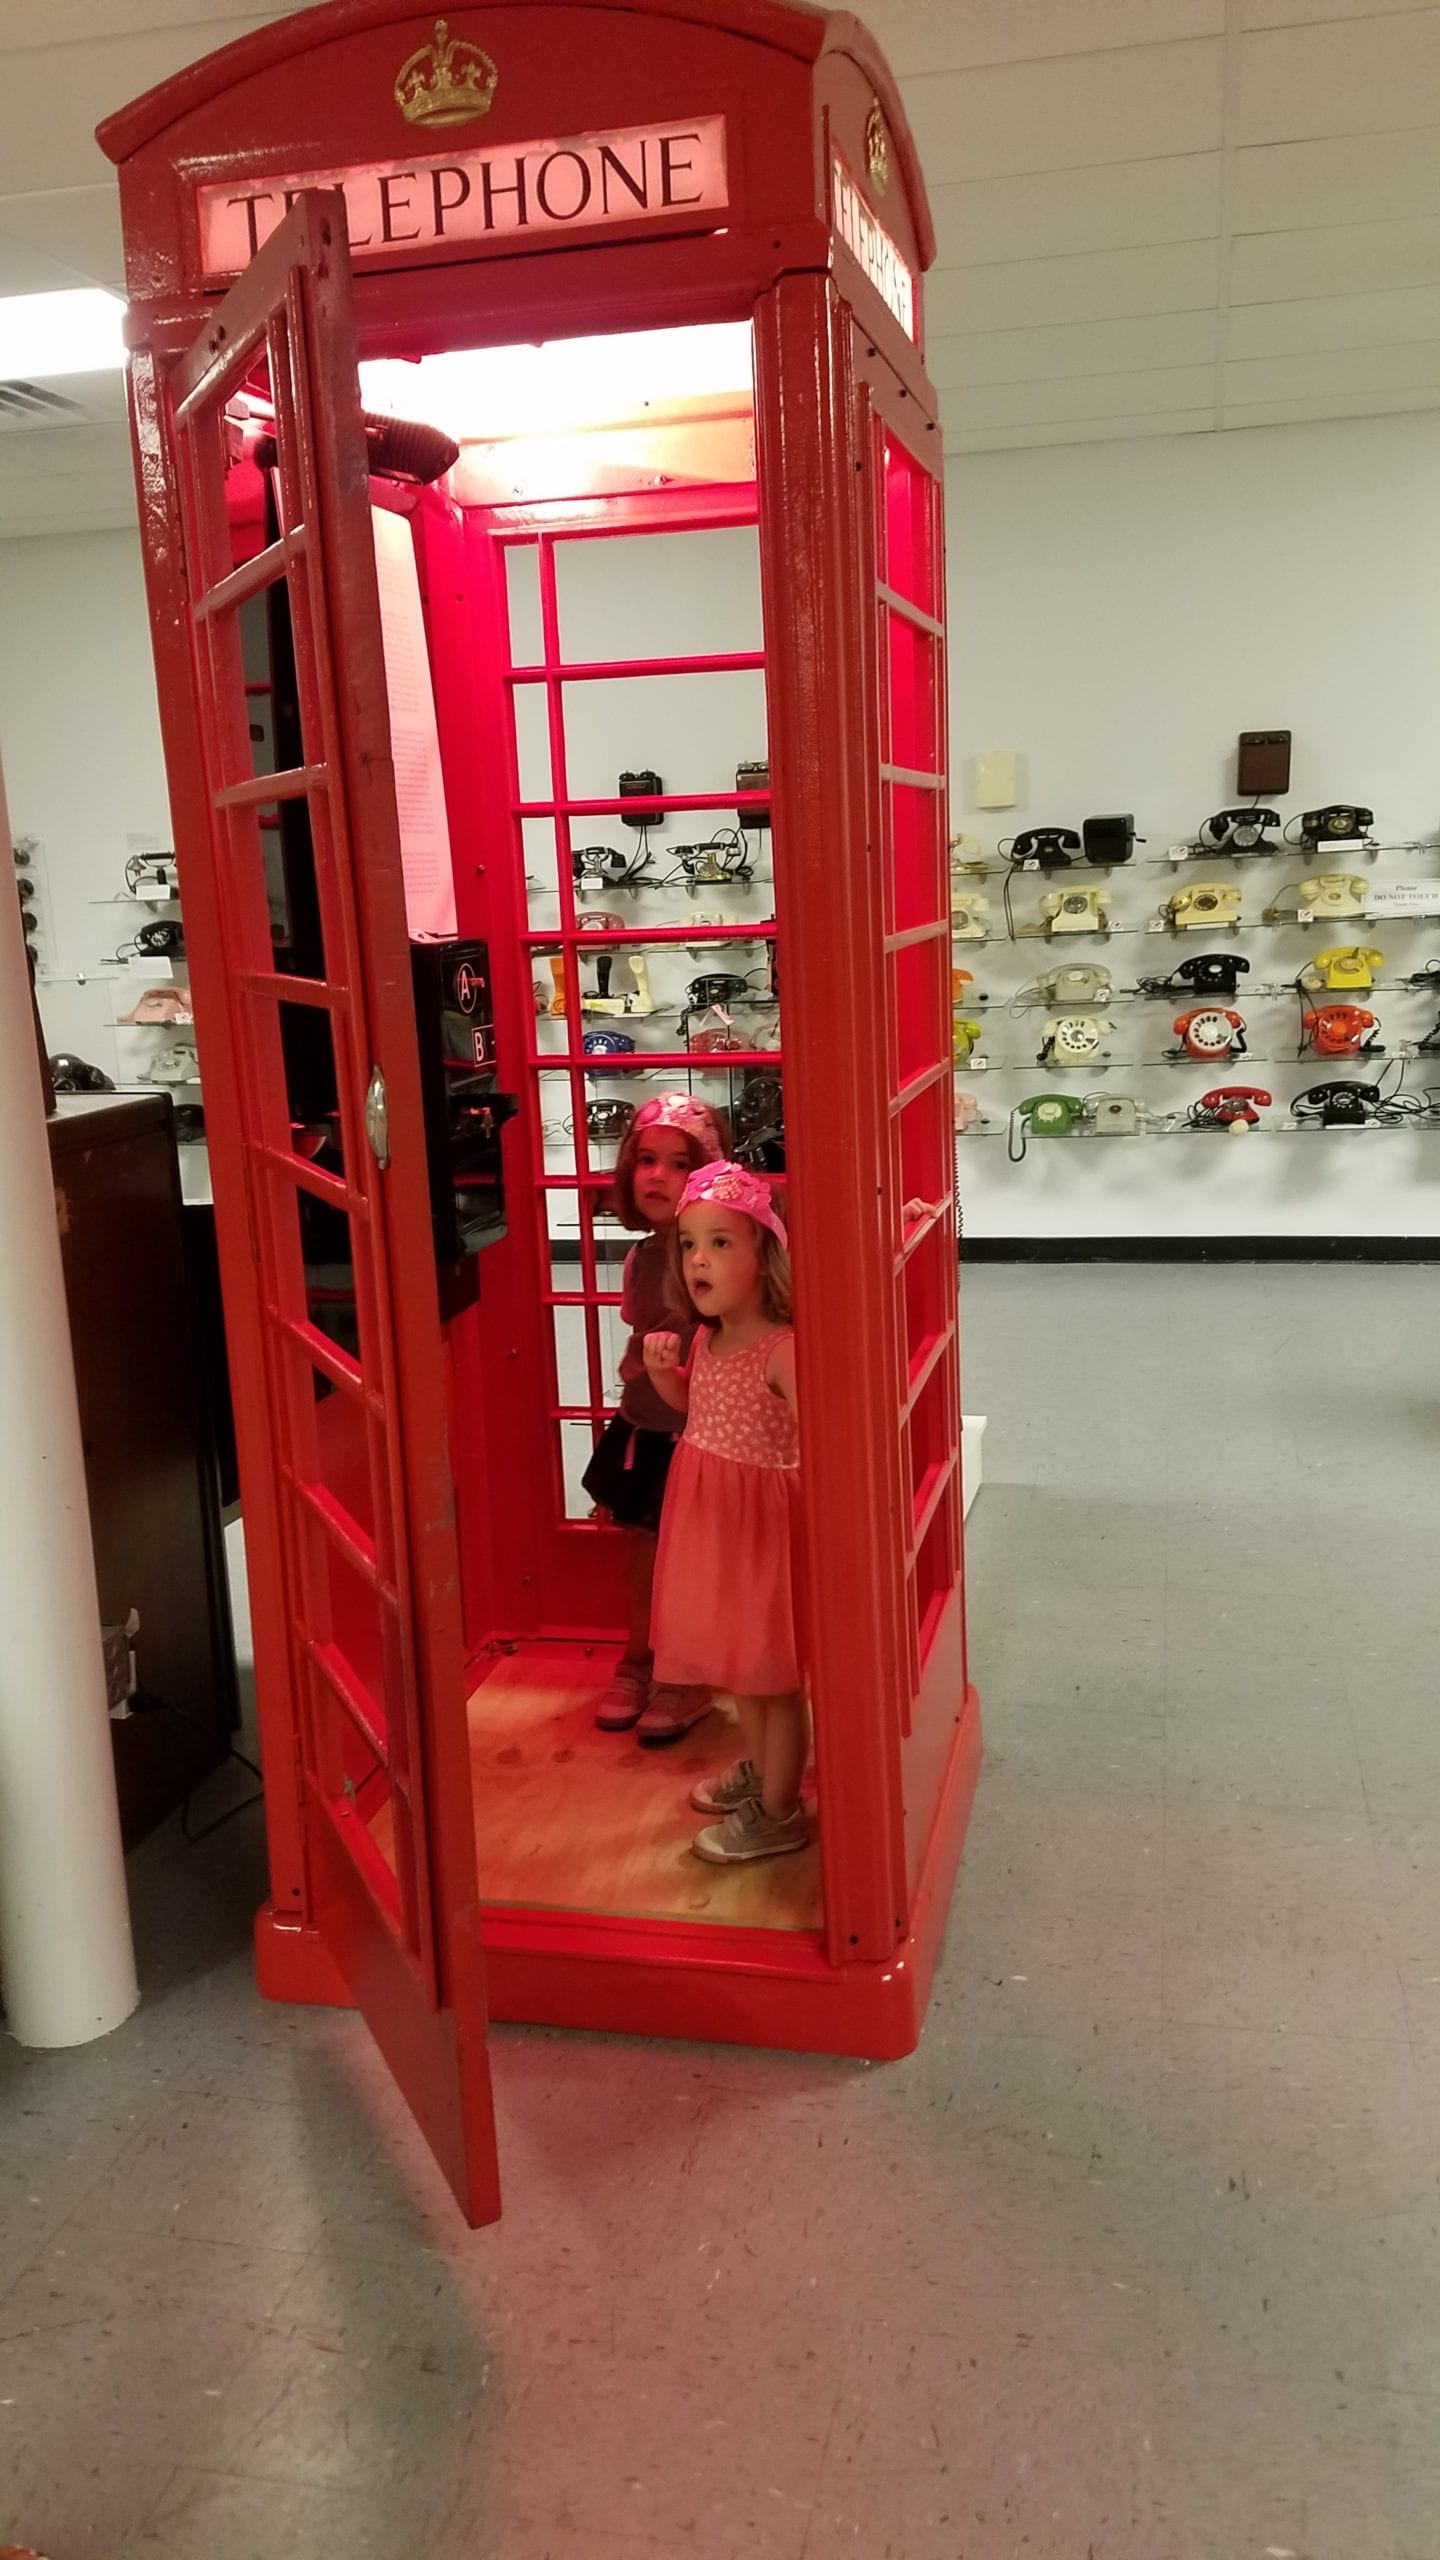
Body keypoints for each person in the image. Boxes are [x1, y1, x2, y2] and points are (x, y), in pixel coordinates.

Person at [643, 1161, 806, 1865]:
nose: (699, 1258)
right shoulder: (708, 1338)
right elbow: (698, 1412)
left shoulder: (784, 1350)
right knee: (744, 1675)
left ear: (765, 1257)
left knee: (774, 1683)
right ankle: (764, 1772)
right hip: (713, 1525)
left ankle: (781, 1809)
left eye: (721, 1243)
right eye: (688, 1244)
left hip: (762, 1532)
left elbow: (827, 1438)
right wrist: (662, 1378)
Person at [584, 1093, 725, 1744]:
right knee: (642, 1563)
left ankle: (687, 1674)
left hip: (699, 1435)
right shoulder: (641, 1258)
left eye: (677, 1163)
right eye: (645, 1159)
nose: (656, 1176)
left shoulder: (717, 1252)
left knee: (695, 1565)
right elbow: (642, 1332)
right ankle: (638, 1659)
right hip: (644, 1432)